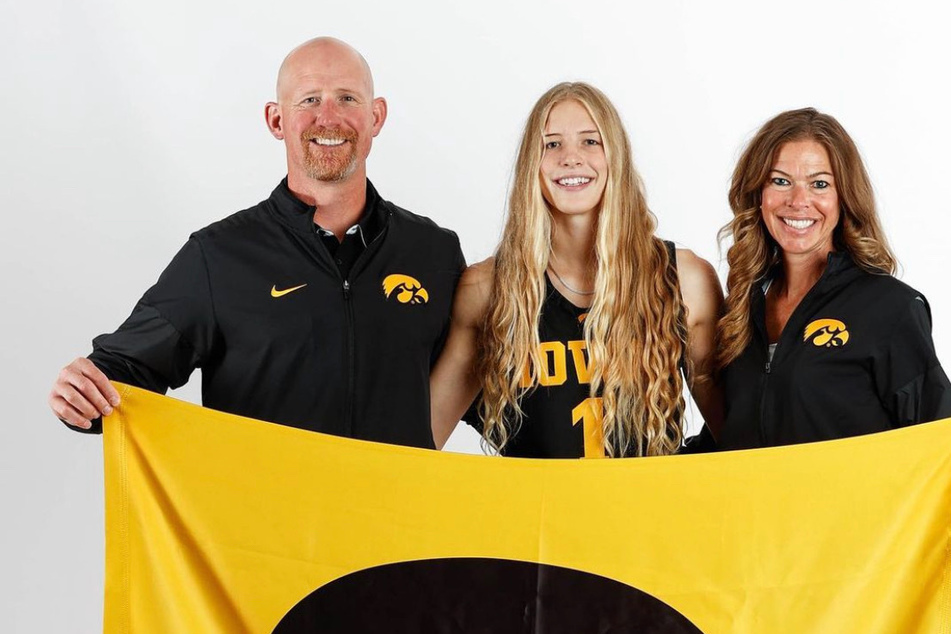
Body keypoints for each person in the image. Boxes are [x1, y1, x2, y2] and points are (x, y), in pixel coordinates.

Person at [47, 37, 465, 448]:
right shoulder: (219, 257)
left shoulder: (433, 252)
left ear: (377, 117)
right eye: (309, 100)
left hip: (396, 514)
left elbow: (489, 392)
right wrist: (81, 392)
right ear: (276, 120)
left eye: (347, 99)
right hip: (264, 515)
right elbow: (125, 370)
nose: (329, 117)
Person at [430, 82, 723, 458]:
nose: (571, 157)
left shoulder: (684, 281)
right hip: (537, 516)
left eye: (590, 141)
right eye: (552, 144)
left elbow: (739, 439)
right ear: (530, 164)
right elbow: (421, 441)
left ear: (615, 155)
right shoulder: (488, 289)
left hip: (649, 514)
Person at [716, 107, 951, 449]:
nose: (798, 201)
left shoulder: (889, 307)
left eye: (820, 184)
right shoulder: (741, 308)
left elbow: (939, 442)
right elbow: (730, 438)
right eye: (780, 181)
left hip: (855, 504)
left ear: (844, 197)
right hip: (757, 504)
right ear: (758, 195)